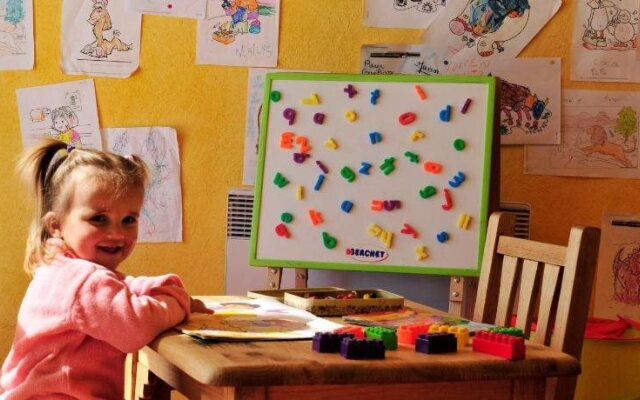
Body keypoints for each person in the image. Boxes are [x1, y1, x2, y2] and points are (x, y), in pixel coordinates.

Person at [0, 139, 211, 399]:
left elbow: (117, 287)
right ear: (56, 225)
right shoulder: (81, 280)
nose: (117, 233)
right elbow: (135, 327)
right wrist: (176, 303)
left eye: (128, 220)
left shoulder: (64, 268)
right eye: (99, 219)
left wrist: (156, 287)